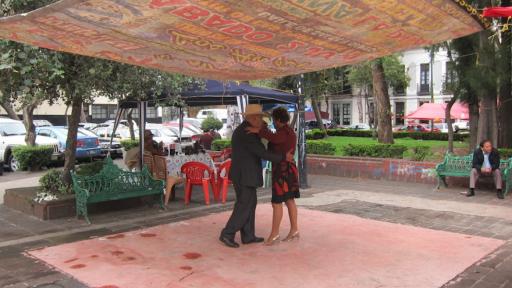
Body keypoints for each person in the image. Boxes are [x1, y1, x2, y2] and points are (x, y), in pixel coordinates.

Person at [219, 104, 294, 248]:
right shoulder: (247, 132)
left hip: (244, 174)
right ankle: (227, 233)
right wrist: (283, 157)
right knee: (244, 205)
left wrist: (262, 129)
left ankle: (248, 235)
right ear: (253, 118)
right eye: (260, 118)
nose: (262, 120)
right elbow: (262, 152)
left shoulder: (248, 129)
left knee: (250, 204)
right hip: (244, 175)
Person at [246, 107, 300, 245]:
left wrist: (259, 130)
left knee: (277, 203)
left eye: (273, 120)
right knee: (289, 201)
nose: (272, 123)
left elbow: (275, 139)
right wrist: (264, 132)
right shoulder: (288, 131)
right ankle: (294, 230)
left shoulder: (283, 133)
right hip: (289, 170)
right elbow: (275, 139)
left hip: (282, 172)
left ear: (277, 120)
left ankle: (274, 234)